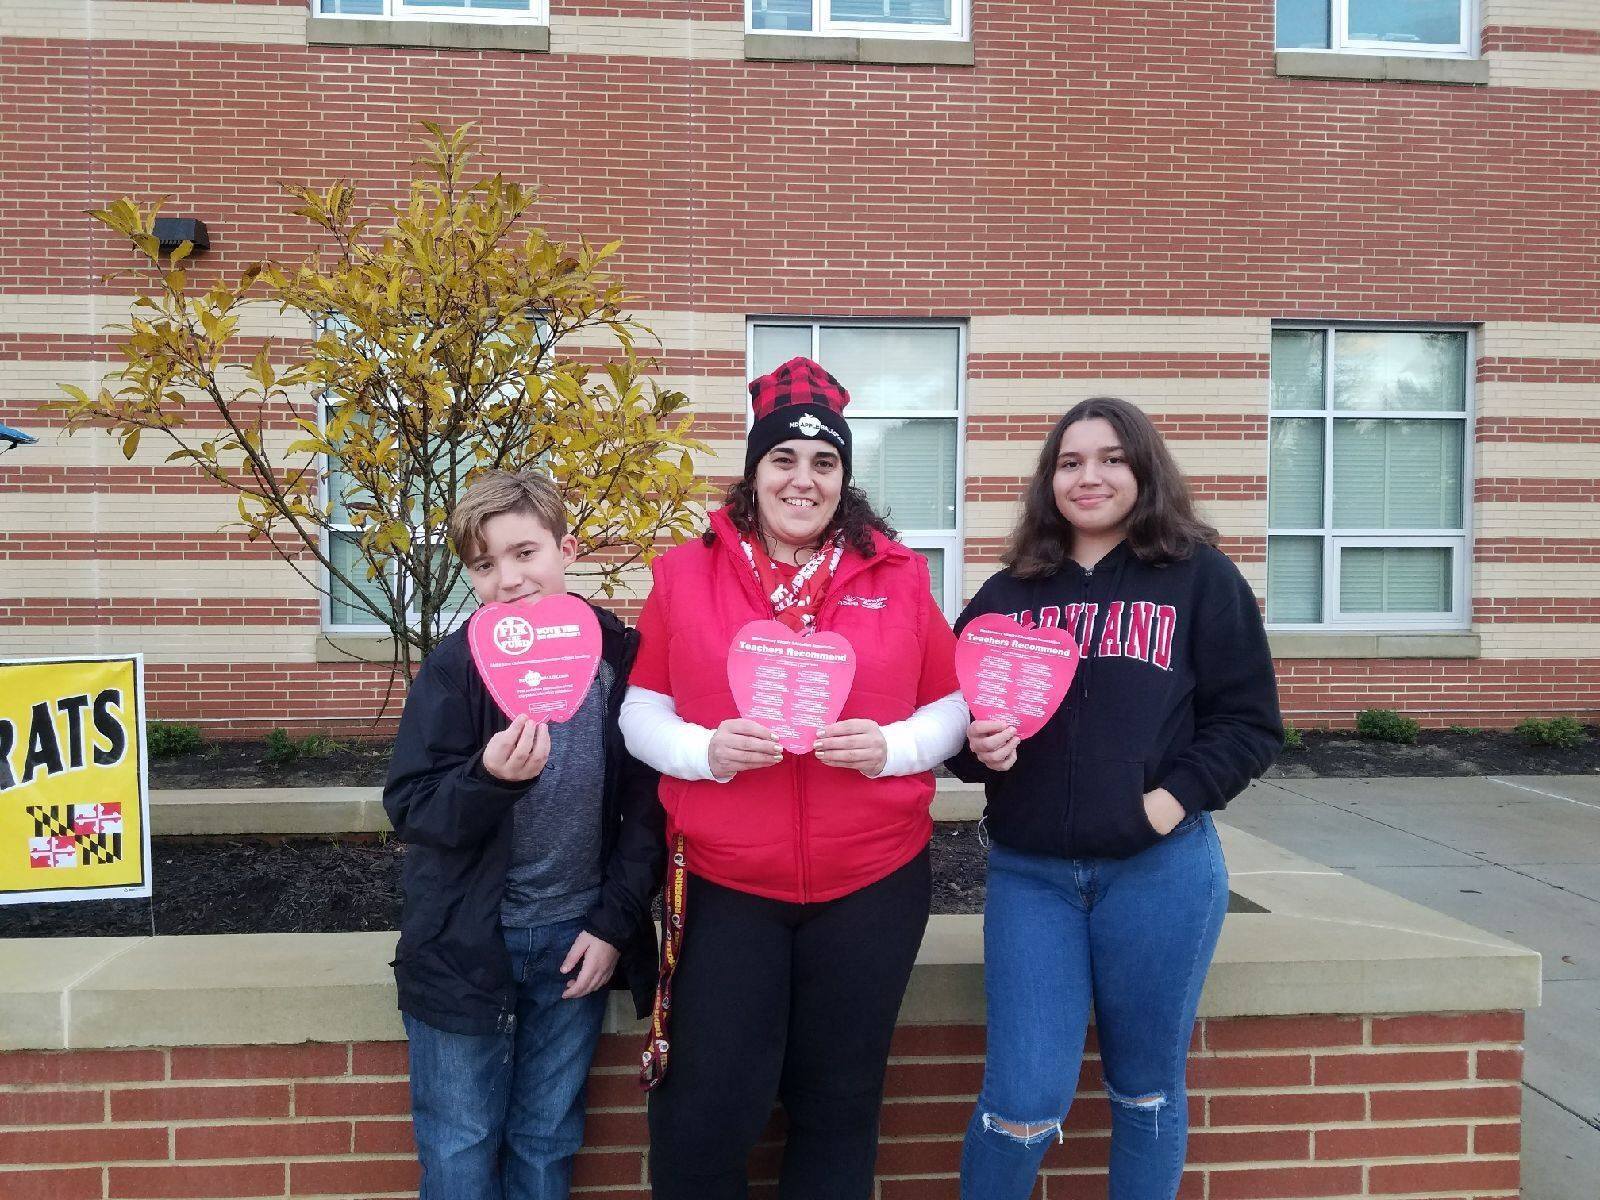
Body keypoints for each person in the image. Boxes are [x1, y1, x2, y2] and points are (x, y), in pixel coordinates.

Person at [620, 357, 968, 1200]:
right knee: (707, 1110)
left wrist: (892, 748)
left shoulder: (899, 575)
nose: (802, 479)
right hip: (726, 882)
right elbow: (639, 715)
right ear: (755, 470)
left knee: (839, 1107)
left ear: (844, 479)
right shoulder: (684, 575)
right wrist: (705, 753)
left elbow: (952, 706)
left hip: (871, 884)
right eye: (783, 459)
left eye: (824, 463)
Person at [952, 396, 1282, 1200]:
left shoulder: (1201, 579)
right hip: (1033, 879)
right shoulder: (1007, 594)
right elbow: (958, 726)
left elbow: (1249, 722)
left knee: (1145, 1090)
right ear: (1048, 480)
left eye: (1110, 459)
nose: (1088, 476)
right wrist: (976, 748)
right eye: (1069, 462)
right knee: (1023, 1100)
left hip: (1159, 871)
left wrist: (1166, 804)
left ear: (1143, 469)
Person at [383, 469, 664, 1200]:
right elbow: (412, 806)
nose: (507, 578)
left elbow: (649, 809)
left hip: (574, 940)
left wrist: (612, 923)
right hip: (466, 943)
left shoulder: (617, 659)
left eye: (524, 553)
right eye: (483, 564)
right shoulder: (454, 668)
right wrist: (489, 779)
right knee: (460, 1147)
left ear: (566, 549)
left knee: (546, 1143)